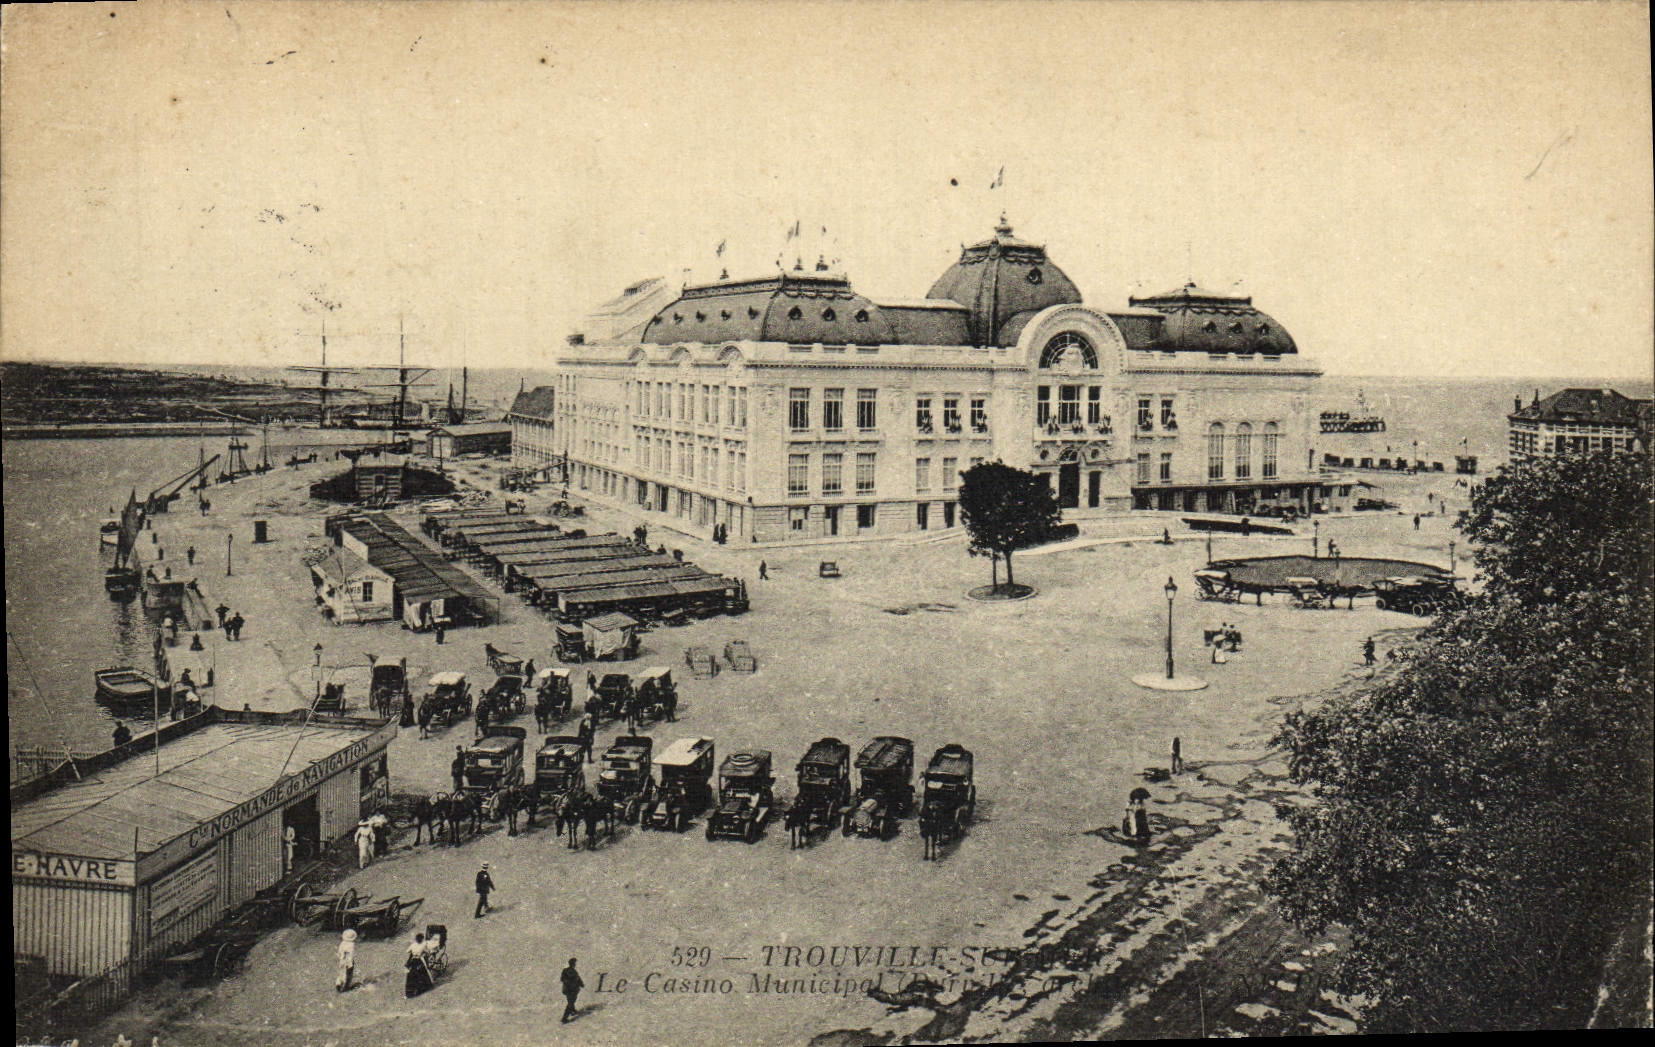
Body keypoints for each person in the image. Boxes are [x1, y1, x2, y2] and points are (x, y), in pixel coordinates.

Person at [405, 933, 434, 997]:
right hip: (416, 961)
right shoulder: (418, 945)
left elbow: (407, 951)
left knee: (415, 974)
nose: (419, 940)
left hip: (416, 961)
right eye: (419, 939)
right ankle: (416, 990)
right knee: (416, 974)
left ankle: (416, 990)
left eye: (419, 939)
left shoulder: (418, 945)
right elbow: (427, 953)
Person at [560, 957, 585, 1023]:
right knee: (570, 1002)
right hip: (569, 990)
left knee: (572, 1000)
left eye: (574, 963)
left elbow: (578, 978)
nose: (574, 965)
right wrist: (570, 982)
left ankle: (572, 1010)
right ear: (571, 964)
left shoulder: (573, 971)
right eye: (574, 963)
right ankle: (564, 1018)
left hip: (573, 989)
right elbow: (562, 979)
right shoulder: (566, 970)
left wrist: (581, 984)